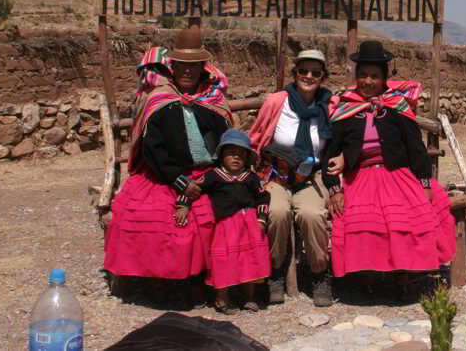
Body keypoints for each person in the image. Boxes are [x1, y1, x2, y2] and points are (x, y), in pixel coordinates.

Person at [104, 25, 232, 302]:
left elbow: (226, 143)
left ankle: (206, 279)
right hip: (164, 175)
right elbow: (153, 149)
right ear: (172, 66)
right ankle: (165, 283)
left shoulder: (214, 101)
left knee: (219, 212)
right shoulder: (158, 100)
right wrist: (179, 180)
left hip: (208, 173)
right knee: (157, 217)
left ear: (202, 67)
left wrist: (215, 177)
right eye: (181, 65)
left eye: (193, 66)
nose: (187, 71)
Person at [322, 40, 456, 297]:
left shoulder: (396, 107)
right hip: (359, 175)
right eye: (363, 75)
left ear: (384, 78)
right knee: (362, 220)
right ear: (356, 76)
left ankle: (401, 278)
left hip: (397, 174)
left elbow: (415, 149)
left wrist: (425, 183)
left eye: (374, 76)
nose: (368, 81)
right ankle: (367, 279)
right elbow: (330, 155)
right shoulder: (345, 110)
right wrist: (335, 189)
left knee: (405, 218)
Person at [248, 49, 336, 307]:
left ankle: (320, 274)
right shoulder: (277, 102)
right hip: (276, 175)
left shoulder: (329, 105)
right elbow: (256, 137)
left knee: (311, 215)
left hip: (311, 177)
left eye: (315, 72)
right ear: (295, 73)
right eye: (303, 71)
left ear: (323, 77)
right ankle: (274, 273)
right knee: (275, 211)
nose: (308, 76)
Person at [175, 129, 270, 313]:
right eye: (231, 153)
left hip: (249, 224)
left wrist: (261, 219)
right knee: (224, 262)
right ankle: (222, 299)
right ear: (221, 155)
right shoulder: (213, 175)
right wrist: (183, 205)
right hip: (226, 226)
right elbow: (194, 189)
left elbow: (263, 197)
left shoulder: (251, 178)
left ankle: (248, 298)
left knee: (250, 260)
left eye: (241, 154)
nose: (236, 158)